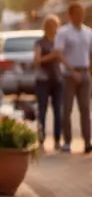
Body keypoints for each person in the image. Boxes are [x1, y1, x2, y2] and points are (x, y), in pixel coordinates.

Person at [54, 2, 92, 154]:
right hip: (69, 74)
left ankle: (87, 141)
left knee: (85, 108)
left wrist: (88, 71)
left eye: (81, 13)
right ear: (70, 15)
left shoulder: (88, 32)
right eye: (76, 13)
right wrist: (71, 71)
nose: (79, 16)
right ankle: (67, 141)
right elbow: (59, 54)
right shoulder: (63, 32)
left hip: (84, 72)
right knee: (67, 109)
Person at [34, 15, 63, 150]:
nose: (52, 28)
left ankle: (57, 139)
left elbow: (64, 58)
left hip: (58, 79)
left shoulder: (59, 42)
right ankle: (41, 138)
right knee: (42, 109)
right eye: (50, 26)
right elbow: (37, 60)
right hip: (43, 80)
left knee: (58, 110)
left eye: (54, 26)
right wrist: (51, 56)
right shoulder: (40, 43)